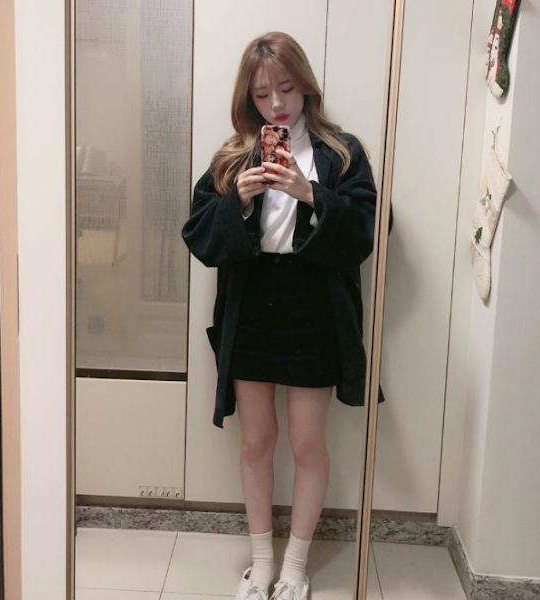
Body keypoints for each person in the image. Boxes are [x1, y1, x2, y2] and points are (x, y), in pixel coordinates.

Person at [182, 31, 383, 600]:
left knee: (307, 441)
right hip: (251, 305)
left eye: (288, 89)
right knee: (255, 441)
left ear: (306, 87)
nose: (277, 104)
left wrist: (312, 193)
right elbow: (198, 234)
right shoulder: (234, 155)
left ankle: (295, 566)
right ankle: (262, 562)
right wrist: (238, 201)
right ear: (248, 98)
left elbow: (369, 231)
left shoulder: (341, 152)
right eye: (263, 94)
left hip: (313, 305)